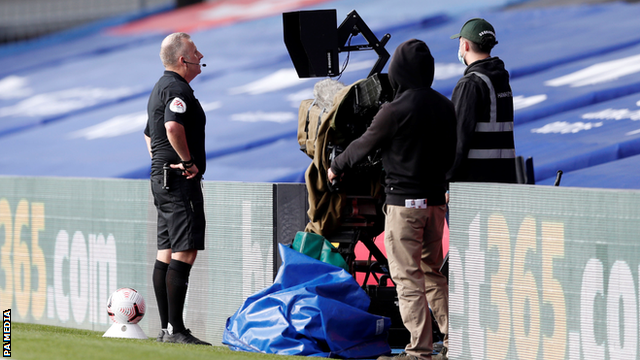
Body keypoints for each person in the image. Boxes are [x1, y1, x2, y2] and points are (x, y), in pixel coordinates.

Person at [328, 39, 456, 360]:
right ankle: (455, 341)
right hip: (436, 206)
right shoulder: (445, 106)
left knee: (407, 276)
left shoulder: (393, 111)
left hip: (404, 208)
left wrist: (335, 166)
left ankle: (419, 351)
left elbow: (361, 146)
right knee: (432, 273)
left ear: (398, 71)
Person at [144, 32, 210, 345]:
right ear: (183, 59)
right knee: (185, 250)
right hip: (178, 181)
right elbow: (172, 126)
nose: (201, 55)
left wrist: (159, 161)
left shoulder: (161, 87)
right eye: (196, 51)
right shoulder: (176, 88)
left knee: (167, 251)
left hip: (162, 178)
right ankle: (176, 330)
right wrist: (185, 161)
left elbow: (148, 133)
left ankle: (167, 329)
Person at [447, 18, 517, 184]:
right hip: (505, 176)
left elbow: (458, 138)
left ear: (465, 46)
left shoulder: (470, 84)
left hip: (475, 181)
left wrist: (445, 180)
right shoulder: (501, 79)